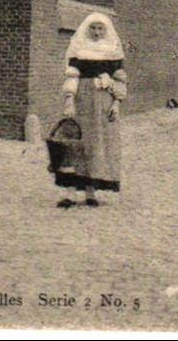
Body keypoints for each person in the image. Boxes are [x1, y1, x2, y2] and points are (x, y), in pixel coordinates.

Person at [51, 12, 127, 208]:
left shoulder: (113, 52)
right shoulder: (79, 50)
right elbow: (72, 78)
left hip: (103, 102)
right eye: (93, 28)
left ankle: (91, 193)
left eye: (100, 28)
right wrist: (69, 101)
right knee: (75, 145)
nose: (96, 32)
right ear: (86, 29)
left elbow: (119, 81)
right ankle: (70, 193)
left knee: (97, 145)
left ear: (106, 30)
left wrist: (116, 103)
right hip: (82, 100)